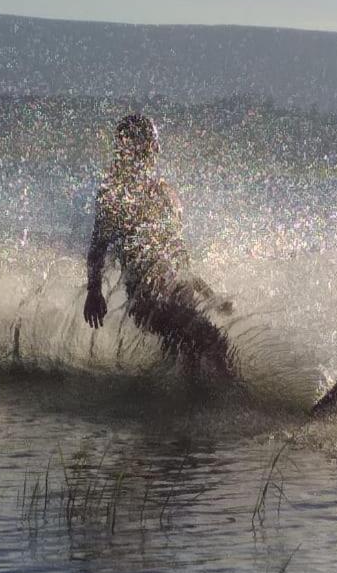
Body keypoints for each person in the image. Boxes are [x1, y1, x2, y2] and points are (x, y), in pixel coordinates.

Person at [82, 114, 234, 378]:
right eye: (152, 143)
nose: (157, 150)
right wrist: (94, 292)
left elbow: (179, 259)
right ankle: (240, 401)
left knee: (197, 351)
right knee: (210, 340)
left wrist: (210, 296)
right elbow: (98, 248)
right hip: (147, 300)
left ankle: (194, 406)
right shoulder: (114, 194)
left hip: (177, 293)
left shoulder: (164, 194)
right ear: (133, 146)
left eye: (155, 144)